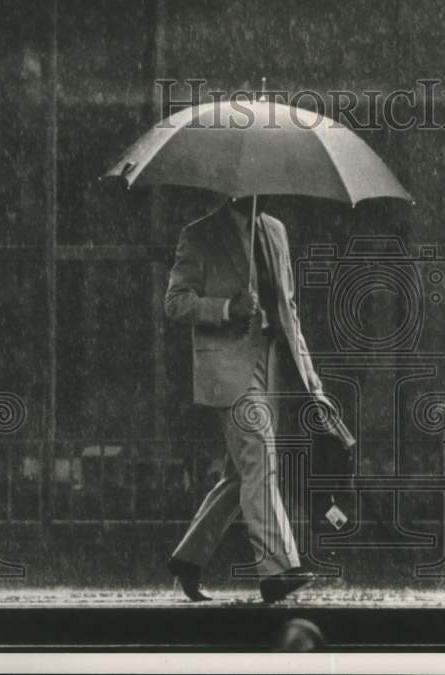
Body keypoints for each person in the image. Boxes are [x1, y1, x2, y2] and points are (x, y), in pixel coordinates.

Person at [164, 195, 323, 603]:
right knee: (259, 456)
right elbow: (176, 302)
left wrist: (311, 378)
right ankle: (278, 570)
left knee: (241, 474)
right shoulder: (199, 234)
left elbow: (288, 311)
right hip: (227, 369)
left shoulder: (275, 231)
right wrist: (227, 308)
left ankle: (189, 558)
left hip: (268, 367)